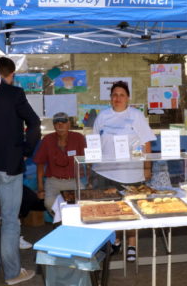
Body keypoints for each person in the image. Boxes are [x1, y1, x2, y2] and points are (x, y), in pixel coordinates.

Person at [0, 56, 41, 284]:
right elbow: (34, 123)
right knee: (10, 221)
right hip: (10, 166)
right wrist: (26, 149)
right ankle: (12, 274)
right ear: (10, 74)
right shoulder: (14, 94)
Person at [92, 80, 156, 262]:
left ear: (128, 98)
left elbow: (147, 143)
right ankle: (116, 241)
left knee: (132, 210)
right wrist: (91, 167)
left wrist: (147, 168)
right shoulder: (102, 116)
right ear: (110, 98)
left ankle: (132, 244)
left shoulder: (136, 115)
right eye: (114, 95)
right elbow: (94, 143)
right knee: (110, 210)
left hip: (131, 173)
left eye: (121, 95)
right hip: (104, 172)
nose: (118, 98)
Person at [34, 111, 85, 215]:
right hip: (53, 181)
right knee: (49, 203)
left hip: (74, 181)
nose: (60, 125)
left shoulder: (78, 138)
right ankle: (64, 222)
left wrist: (89, 179)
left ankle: (67, 223)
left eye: (63, 122)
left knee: (83, 203)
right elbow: (40, 163)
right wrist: (40, 188)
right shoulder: (47, 140)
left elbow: (88, 159)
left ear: (69, 124)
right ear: (54, 125)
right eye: (57, 122)